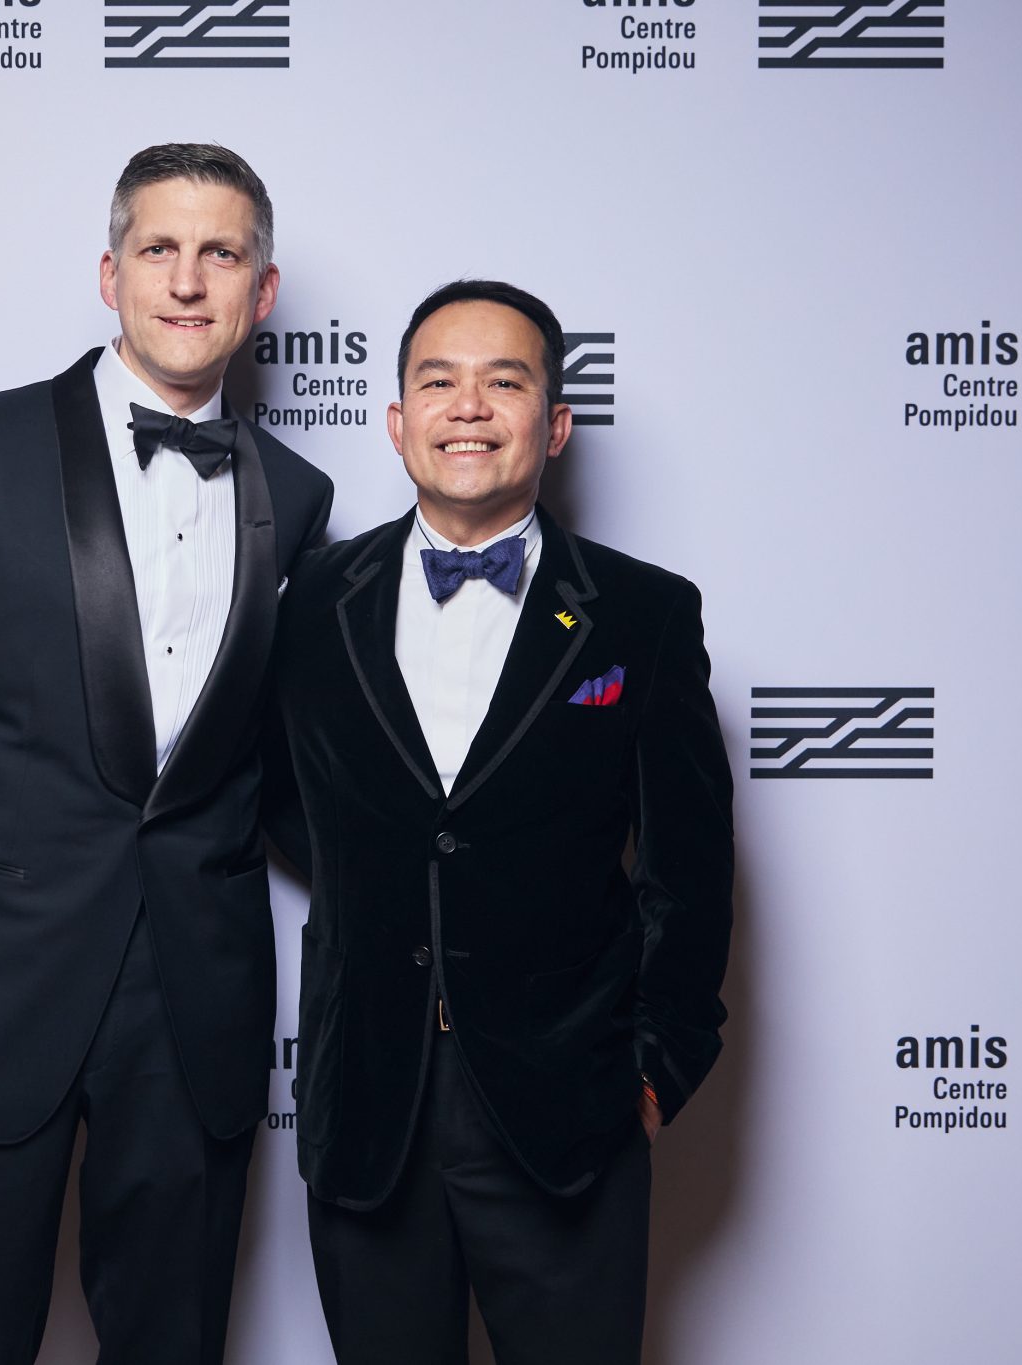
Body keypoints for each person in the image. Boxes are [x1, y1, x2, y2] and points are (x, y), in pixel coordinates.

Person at [0, 143, 332, 1365]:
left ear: (262, 291)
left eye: (220, 254)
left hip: (194, 1014)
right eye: (159, 249)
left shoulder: (298, 495)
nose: (187, 281)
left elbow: (283, 772)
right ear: (111, 275)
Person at [271, 280, 733, 1363]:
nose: (468, 407)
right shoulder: (311, 602)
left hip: (566, 1114)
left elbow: (691, 866)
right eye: (438, 382)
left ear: (554, 424)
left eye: (504, 382)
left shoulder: (643, 614)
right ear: (398, 422)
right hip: (368, 1106)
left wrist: (653, 1071)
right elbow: (289, 805)